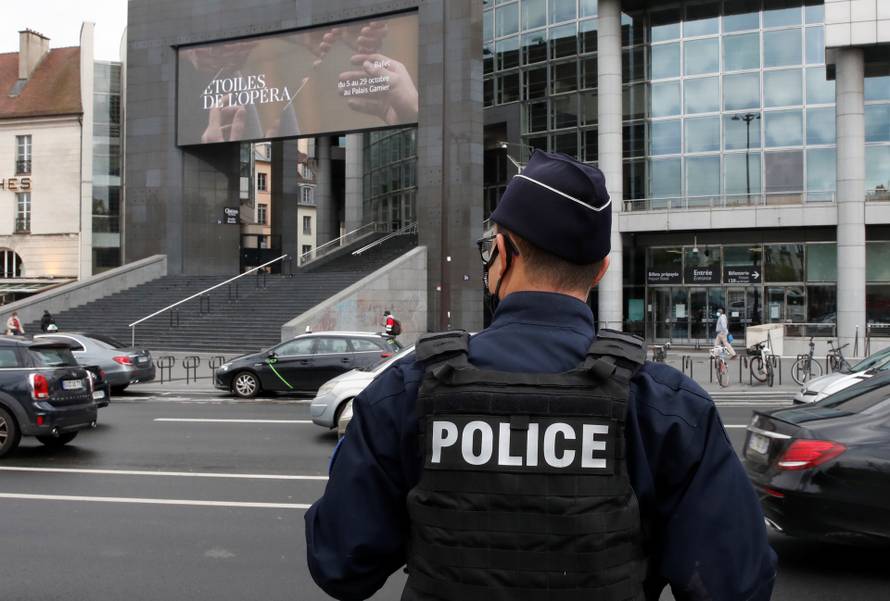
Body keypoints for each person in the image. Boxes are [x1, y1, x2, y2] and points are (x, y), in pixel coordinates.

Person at [305, 151, 776, 600]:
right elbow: (736, 584)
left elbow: (341, 565)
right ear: (601, 272)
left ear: (504, 253)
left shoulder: (409, 387)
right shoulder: (668, 407)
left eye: (491, 246)